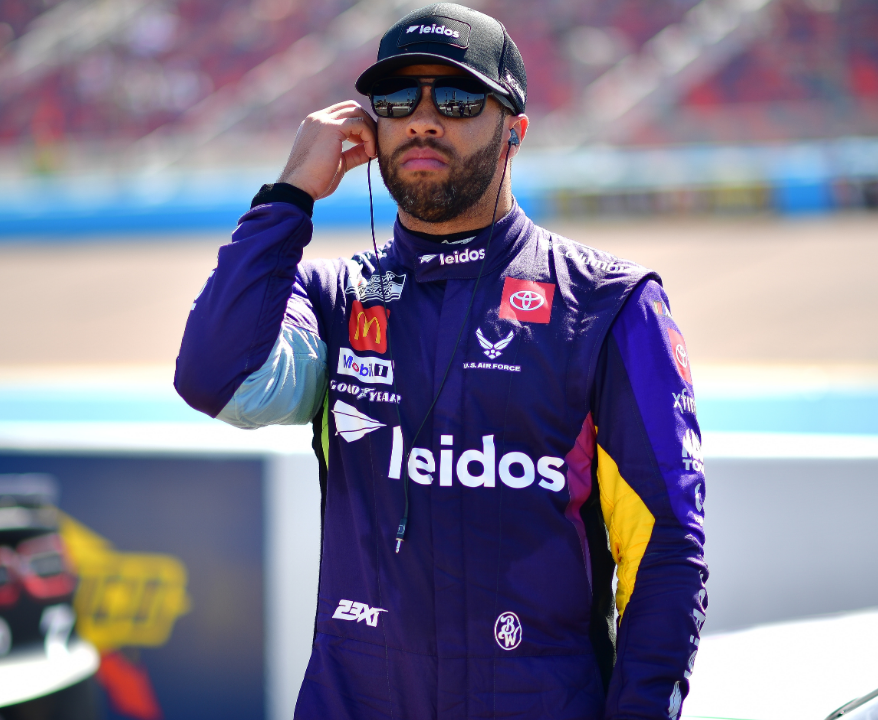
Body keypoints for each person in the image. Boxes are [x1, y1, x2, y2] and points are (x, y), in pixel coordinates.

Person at [174, 4, 707, 718]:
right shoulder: (334, 299)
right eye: (398, 100)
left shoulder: (609, 306)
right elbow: (215, 379)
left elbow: (667, 552)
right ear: (372, 128)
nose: (423, 120)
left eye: (456, 99)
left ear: (514, 131)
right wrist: (288, 195)